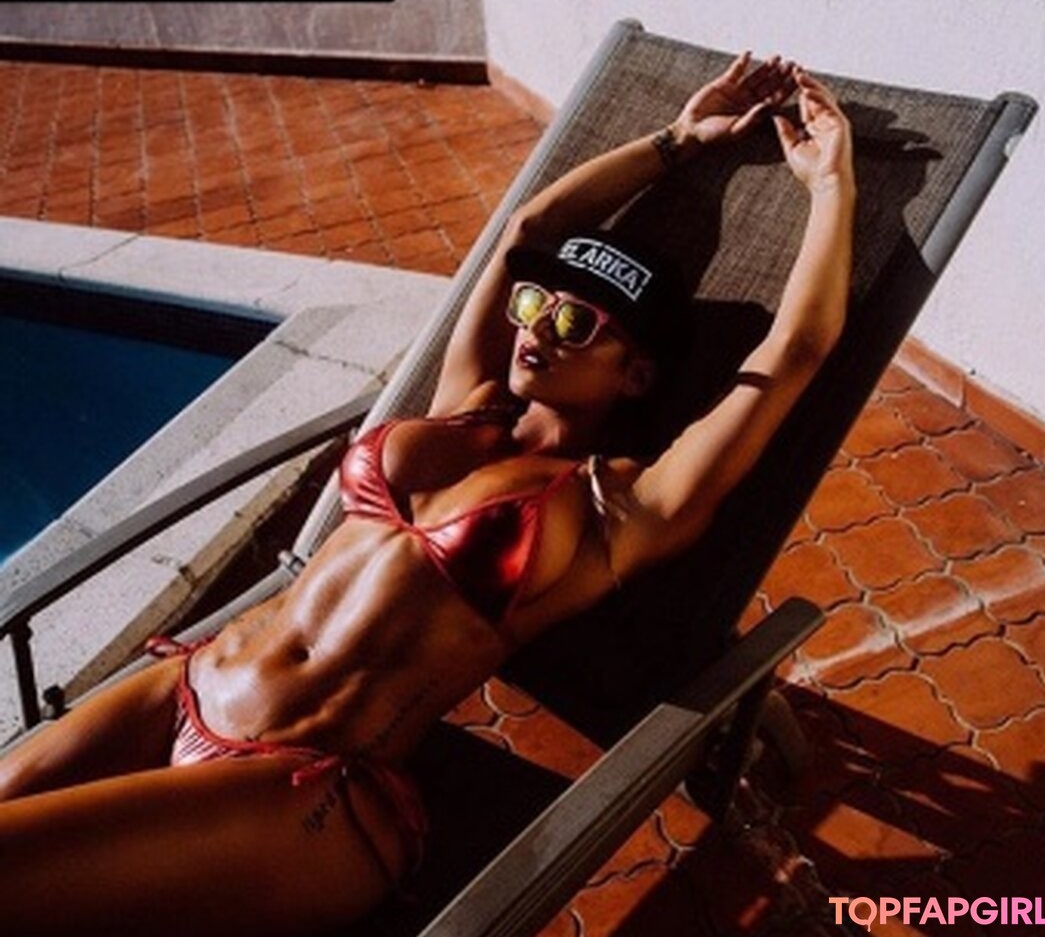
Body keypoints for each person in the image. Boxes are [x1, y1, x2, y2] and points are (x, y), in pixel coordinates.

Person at [0, 53, 854, 937]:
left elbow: (795, 349)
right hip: (192, 681)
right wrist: (677, 139)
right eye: (536, 304)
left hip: (304, 785)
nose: (537, 328)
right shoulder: (466, 405)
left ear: (634, 374)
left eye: (576, 323)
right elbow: (531, 223)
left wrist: (830, 185)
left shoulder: (617, 508)